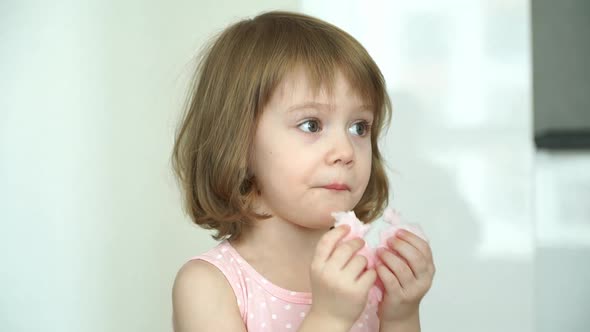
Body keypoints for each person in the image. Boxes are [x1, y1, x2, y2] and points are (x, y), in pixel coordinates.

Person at [170, 10, 435, 332]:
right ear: (237, 142)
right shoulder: (209, 285)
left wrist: (401, 313)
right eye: (311, 125)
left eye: (359, 127)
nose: (345, 152)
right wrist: (330, 318)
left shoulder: (366, 275)